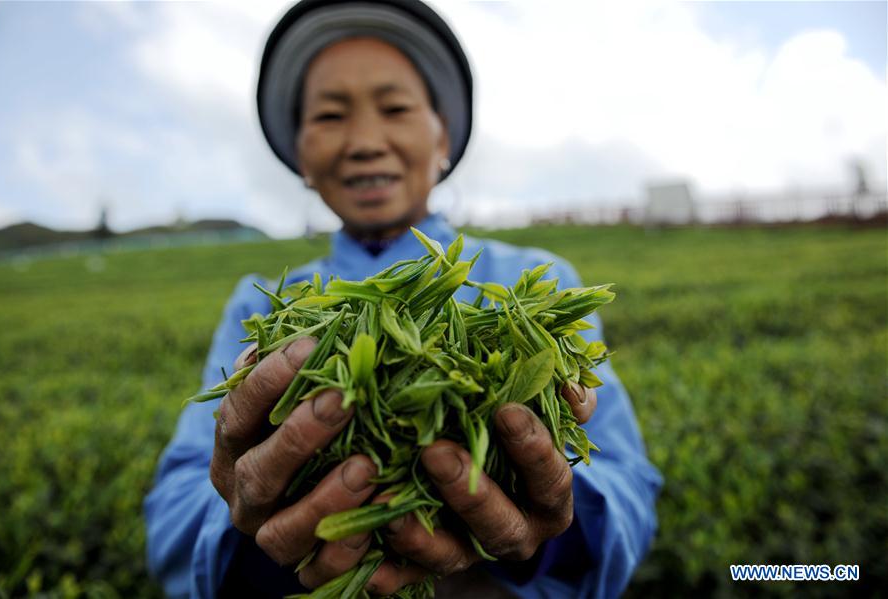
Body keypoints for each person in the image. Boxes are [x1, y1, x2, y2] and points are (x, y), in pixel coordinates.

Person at [144, 1, 662, 597]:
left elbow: (626, 489)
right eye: (330, 115)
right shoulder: (262, 307)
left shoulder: (535, 279)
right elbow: (175, 517)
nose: (366, 141)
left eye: (395, 108)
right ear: (302, 157)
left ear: (442, 138)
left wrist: (545, 522)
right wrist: (261, 528)